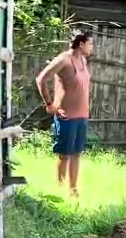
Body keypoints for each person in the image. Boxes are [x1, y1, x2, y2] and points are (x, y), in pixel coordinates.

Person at [36, 32, 94, 197]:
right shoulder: (64, 60)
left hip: (82, 116)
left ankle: (73, 189)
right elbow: (41, 79)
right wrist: (49, 103)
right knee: (65, 155)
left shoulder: (83, 60)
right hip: (66, 116)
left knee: (76, 153)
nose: (92, 48)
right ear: (81, 44)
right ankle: (60, 190)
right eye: (90, 44)